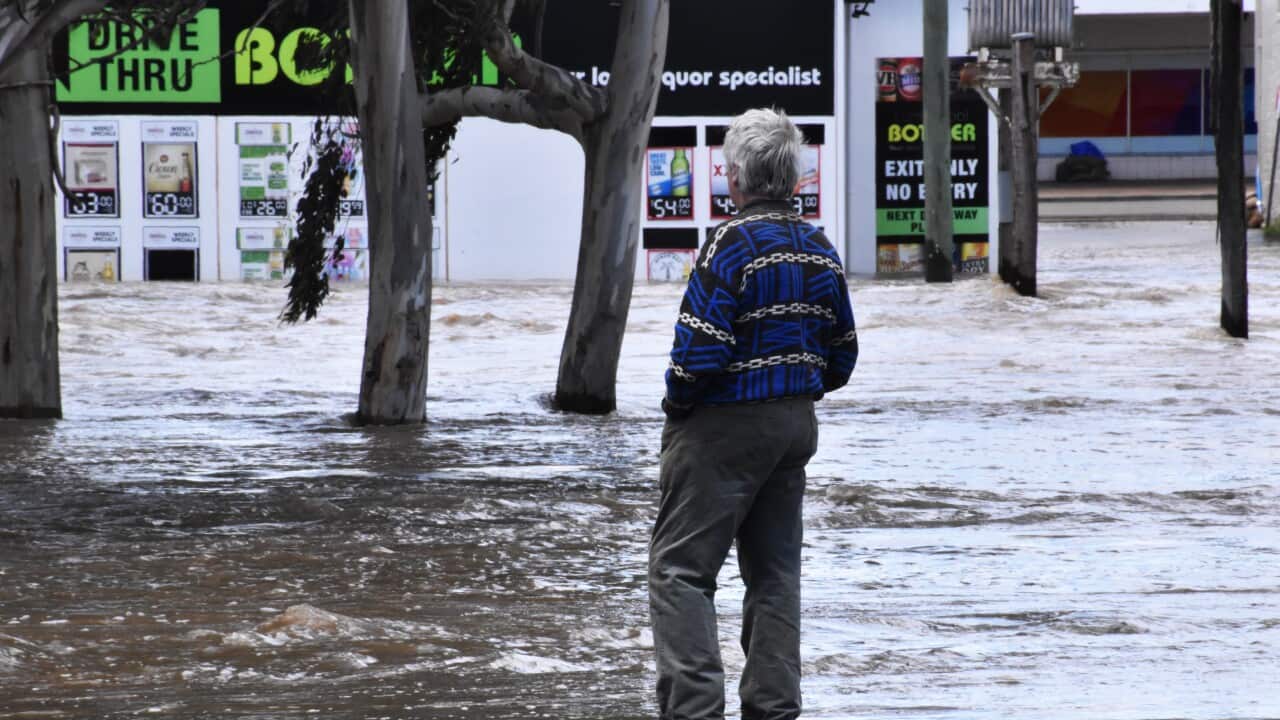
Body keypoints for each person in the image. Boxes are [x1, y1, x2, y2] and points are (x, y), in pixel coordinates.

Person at [648, 107, 858, 720]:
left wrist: (676, 406)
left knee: (680, 572)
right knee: (774, 575)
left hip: (723, 426)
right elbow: (842, 356)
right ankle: (773, 708)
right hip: (794, 428)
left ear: (734, 177)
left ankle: (694, 710)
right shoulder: (820, 250)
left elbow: (696, 355)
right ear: (792, 179)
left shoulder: (729, 245)